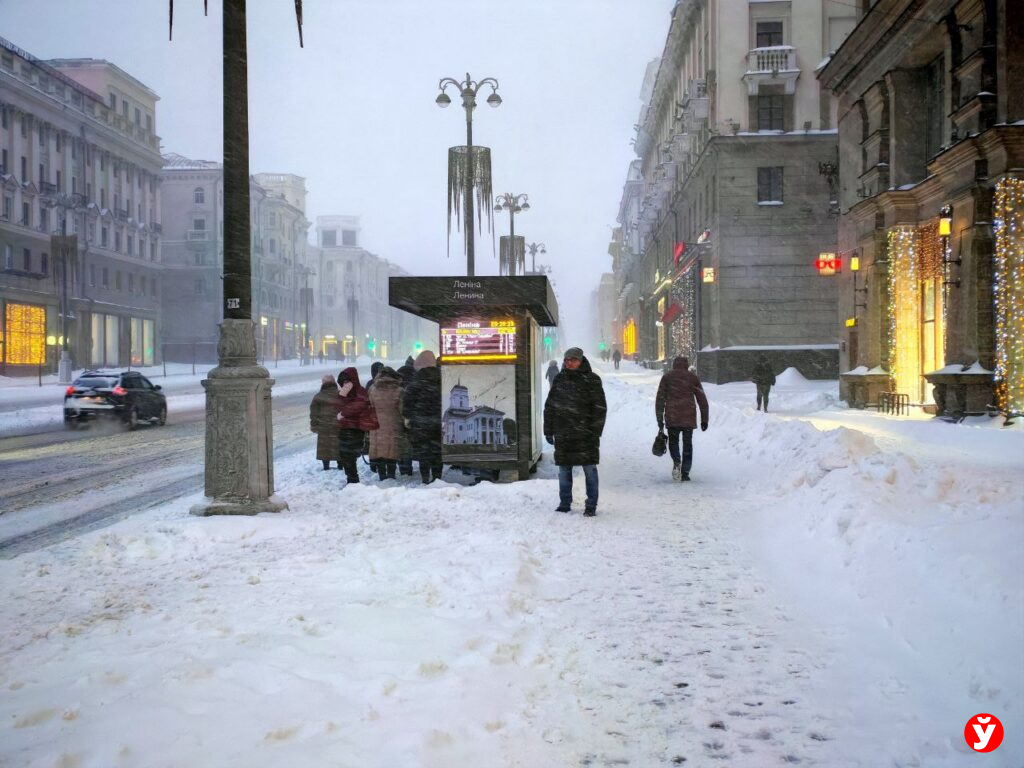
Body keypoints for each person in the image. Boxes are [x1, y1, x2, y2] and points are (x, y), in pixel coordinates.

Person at [544, 347, 607, 517]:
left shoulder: (592, 380)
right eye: (566, 360)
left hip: (586, 435)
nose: (569, 363)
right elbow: (550, 407)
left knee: (590, 470)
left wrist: (594, 432)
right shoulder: (559, 380)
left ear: (580, 361)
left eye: (572, 360)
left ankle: (591, 505)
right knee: (564, 470)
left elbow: (599, 409)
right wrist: (548, 431)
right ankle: (565, 503)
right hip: (563, 434)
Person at [655, 356, 709, 482]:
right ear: (686, 364)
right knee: (687, 444)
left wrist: (659, 418)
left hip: (672, 415)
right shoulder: (692, 378)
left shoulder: (667, 377)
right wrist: (704, 419)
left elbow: (660, 399)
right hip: (688, 417)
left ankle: (676, 461)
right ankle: (685, 472)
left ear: (674, 364)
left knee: (673, 442)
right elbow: (702, 400)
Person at [402, 350, 443, 484]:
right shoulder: (441, 379)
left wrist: (408, 418)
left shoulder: (416, 381)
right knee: (437, 451)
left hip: (420, 424)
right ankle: (437, 478)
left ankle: (425, 478)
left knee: (424, 453)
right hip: (438, 422)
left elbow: (407, 402)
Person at [368, 366, 405, 481]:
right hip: (394, 424)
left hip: (376, 425)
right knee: (392, 450)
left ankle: (382, 475)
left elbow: (369, 407)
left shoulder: (372, 389)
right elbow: (402, 410)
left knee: (379, 451)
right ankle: (391, 474)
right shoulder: (399, 390)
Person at [335, 367, 372, 485]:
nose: (346, 384)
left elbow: (360, 405)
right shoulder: (343, 394)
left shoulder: (360, 392)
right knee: (345, 456)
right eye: (344, 382)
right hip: (344, 430)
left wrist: (343, 413)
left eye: (348, 381)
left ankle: (353, 481)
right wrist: (341, 396)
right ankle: (351, 480)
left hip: (356, 429)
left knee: (349, 456)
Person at [309, 373, 342, 470]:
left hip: (324, 427)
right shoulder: (341, 395)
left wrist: (314, 425)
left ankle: (326, 466)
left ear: (323, 383)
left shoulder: (318, 396)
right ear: (334, 382)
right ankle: (340, 465)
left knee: (325, 446)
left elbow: (313, 413)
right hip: (338, 425)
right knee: (338, 445)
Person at [395, 359, 417, 475]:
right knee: (407, 443)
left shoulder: (399, 373)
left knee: (400, 443)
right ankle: (407, 467)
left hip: (398, 414)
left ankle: (403, 466)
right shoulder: (415, 375)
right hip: (409, 414)